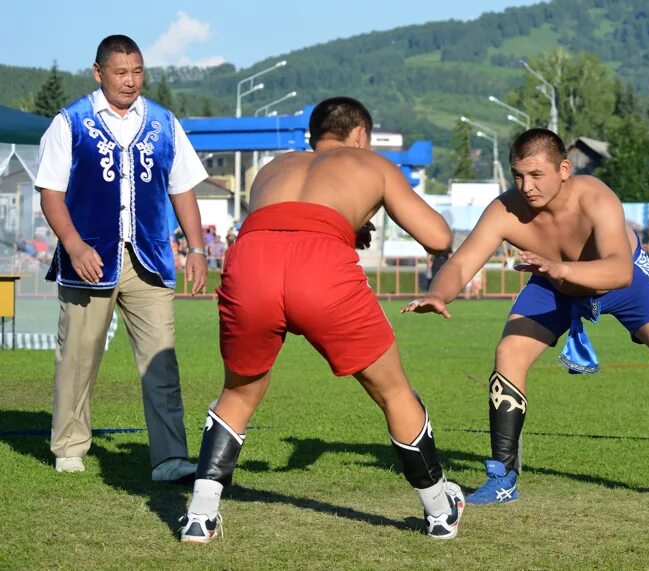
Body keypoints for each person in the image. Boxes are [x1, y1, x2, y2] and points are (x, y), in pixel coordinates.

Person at [403, 128, 649, 510]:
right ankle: (503, 476)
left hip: (621, 281)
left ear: (564, 169)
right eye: (518, 175)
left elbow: (620, 271)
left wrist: (561, 268)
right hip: (553, 282)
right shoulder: (505, 209)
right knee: (509, 352)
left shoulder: (595, 195)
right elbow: (463, 261)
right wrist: (438, 293)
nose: (525, 186)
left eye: (536, 175)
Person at [179, 97, 465, 544]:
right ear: (360, 136)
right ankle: (438, 508)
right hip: (321, 269)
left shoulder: (274, 166)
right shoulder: (369, 162)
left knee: (238, 391)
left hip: (253, 261)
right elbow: (437, 237)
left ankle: (200, 514)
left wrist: (347, 222)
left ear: (313, 136)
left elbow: (289, 219)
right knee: (392, 390)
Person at [35, 35, 208, 480]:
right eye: (121, 72)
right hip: (88, 259)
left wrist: (196, 247)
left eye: (137, 72)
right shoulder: (69, 121)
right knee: (78, 357)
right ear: (99, 73)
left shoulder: (165, 122)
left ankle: (169, 457)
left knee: (161, 361)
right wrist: (73, 244)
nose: (131, 81)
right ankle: (69, 445)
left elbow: (182, 187)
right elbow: (50, 192)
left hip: (149, 260)